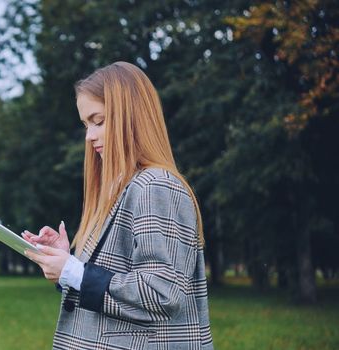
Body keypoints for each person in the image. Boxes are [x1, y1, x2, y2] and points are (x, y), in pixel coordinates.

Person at [22, 61, 213, 349]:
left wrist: (73, 271)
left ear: (131, 116)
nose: (89, 136)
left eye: (98, 121)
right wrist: (66, 260)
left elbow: (162, 293)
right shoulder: (120, 188)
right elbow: (115, 276)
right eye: (86, 125)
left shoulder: (155, 185)